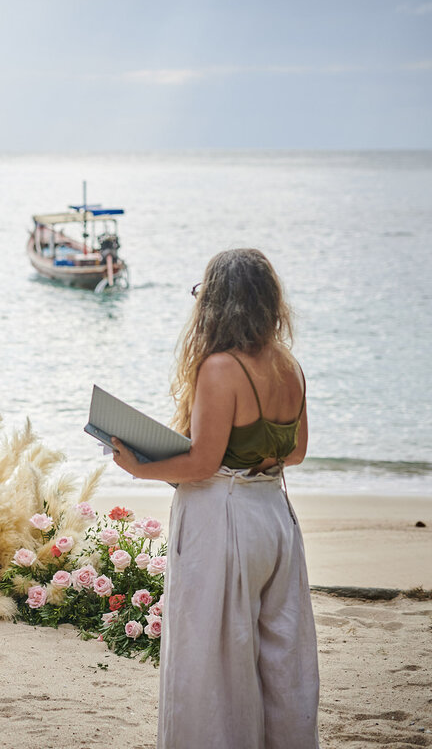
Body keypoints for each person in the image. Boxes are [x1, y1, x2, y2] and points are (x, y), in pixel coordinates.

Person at [109, 248, 319, 749]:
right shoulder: (288, 365)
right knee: (280, 656)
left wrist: (141, 467)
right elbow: (298, 453)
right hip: (275, 519)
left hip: (224, 520)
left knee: (211, 659)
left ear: (217, 303)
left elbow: (202, 464)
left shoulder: (221, 368)